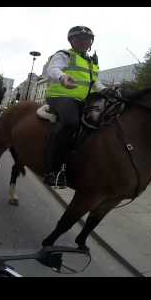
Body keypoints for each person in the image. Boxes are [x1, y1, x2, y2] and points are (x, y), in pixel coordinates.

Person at [43, 26, 100, 186]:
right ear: (71, 41)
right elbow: (52, 69)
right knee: (70, 123)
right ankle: (51, 171)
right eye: (80, 39)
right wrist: (62, 77)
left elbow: (96, 83)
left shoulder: (91, 62)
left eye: (87, 39)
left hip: (83, 100)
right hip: (61, 96)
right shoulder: (64, 54)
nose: (84, 42)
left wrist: (109, 91)